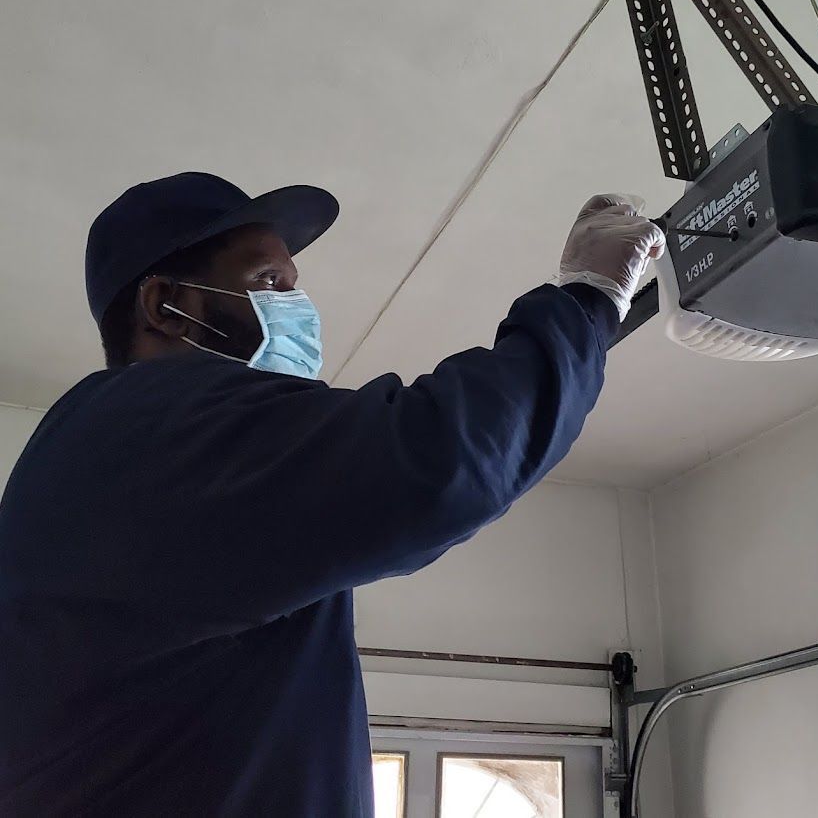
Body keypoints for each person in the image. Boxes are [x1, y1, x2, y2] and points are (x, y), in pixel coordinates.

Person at [0, 171, 664, 817]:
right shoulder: (147, 429)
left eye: (293, 287)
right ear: (164, 306)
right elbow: (441, 459)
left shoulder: (99, 454)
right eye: (267, 283)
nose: (297, 308)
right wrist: (587, 295)